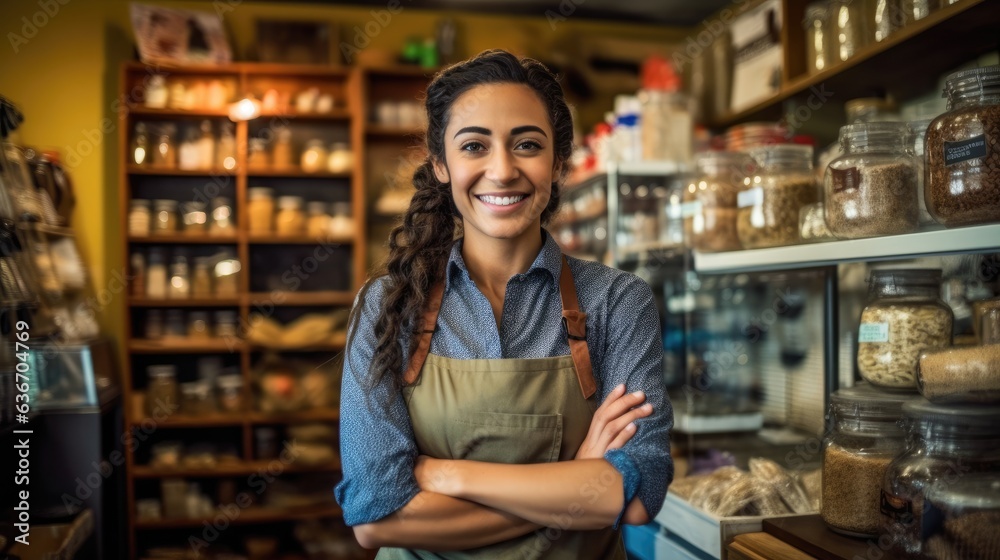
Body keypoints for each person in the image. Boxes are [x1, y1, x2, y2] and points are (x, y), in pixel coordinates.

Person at [335, 49, 673, 559]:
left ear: (558, 163)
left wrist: (445, 474)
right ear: (440, 165)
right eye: (474, 146)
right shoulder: (387, 306)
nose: (502, 169)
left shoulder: (617, 302)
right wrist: (577, 483)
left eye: (527, 145)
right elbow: (376, 518)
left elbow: (638, 496)